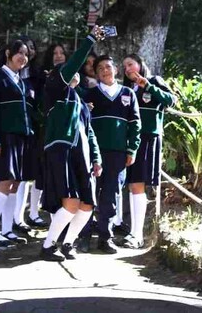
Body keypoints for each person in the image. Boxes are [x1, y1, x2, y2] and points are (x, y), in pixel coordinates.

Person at [40, 27, 105, 261]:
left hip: (83, 155)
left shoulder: (80, 101)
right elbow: (73, 63)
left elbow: (90, 133)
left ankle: (68, 244)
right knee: (71, 201)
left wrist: (96, 158)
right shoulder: (55, 88)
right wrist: (90, 39)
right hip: (62, 150)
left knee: (87, 205)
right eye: (68, 71)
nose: (73, 73)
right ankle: (48, 246)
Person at [78, 55, 141, 254]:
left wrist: (132, 149)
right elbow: (81, 123)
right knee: (88, 193)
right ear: (96, 74)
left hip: (118, 154)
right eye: (100, 69)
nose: (105, 71)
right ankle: (83, 236)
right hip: (93, 152)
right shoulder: (89, 94)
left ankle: (106, 237)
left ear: (115, 69)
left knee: (111, 195)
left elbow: (135, 124)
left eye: (108, 67)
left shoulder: (128, 93)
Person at [120, 53, 176, 249]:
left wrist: (148, 86)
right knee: (131, 185)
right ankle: (132, 232)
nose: (128, 69)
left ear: (140, 64)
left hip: (148, 138)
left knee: (138, 185)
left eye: (131, 64)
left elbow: (171, 100)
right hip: (129, 140)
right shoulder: (126, 89)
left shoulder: (154, 81)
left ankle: (137, 235)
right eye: (125, 67)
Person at [0, 39, 34, 246]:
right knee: (4, 182)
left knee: (16, 183)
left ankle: (7, 230)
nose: (23, 57)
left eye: (26, 54)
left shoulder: (22, 81)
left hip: (22, 138)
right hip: (4, 138)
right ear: (8, 53)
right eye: (19, 53)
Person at [14, 36, 48, 231]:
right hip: (16, 130)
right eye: (23, 51)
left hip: (36, 130)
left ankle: (30, 214)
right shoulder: (8, 74)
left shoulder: (38, 76)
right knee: (17, 176)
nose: (28, 53)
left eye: (32, 49)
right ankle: (15, 217)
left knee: (33, 174)